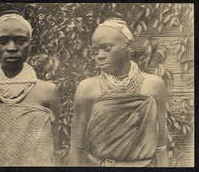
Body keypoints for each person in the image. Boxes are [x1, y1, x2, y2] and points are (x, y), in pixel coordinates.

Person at [0, 11, 61, 166]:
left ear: (30, 45)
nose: (12, 48)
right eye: (3, 41)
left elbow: (54, 151)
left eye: (20, 41)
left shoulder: (48, 92)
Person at [69, 18, 168, 167]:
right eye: (94, 51)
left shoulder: (154, 85)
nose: (99, 56)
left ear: (128, 46)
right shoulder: (87, 88)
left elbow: (161, 145)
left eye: (106, 48)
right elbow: (76, 147)